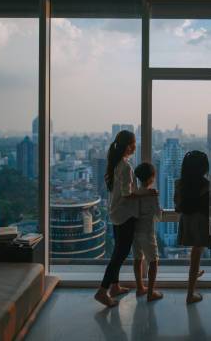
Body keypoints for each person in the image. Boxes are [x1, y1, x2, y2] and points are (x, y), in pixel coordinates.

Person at [94, 130, 157, 307]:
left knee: (117, 252)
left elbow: (123, 192)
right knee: (119, 256)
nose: (135, 146)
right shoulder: (126, 167)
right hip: (125, 216)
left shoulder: (115, 164)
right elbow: (127, 194)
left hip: (115, 213)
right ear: (129, 145)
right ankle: (102, 291)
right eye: (134, 143)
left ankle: (114, 287)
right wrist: (146, 192)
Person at [174, 150, 211, 304]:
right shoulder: (207, 185)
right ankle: (190, 294)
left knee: (195, 253)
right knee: (196, 254)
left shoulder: (179, 183)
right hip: (202, 223)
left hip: (187, 222)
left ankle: (195, 273)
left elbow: (178, 207)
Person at [132, 162, 163, 302]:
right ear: (151, 178)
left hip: (135, 231)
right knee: (153, 261)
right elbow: (158, 214)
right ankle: (151, 292)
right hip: (147, 232)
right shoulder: (152, 194)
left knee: (138, 259)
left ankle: (140, 287)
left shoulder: (134, 193)